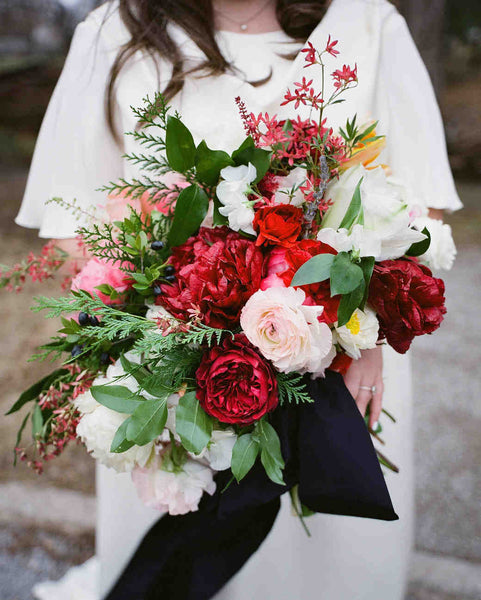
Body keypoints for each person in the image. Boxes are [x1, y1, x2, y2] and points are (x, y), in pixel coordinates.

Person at [16, 0, 462, 598]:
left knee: (329, 571)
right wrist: (179, 334)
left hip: (343, 373)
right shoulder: (114, 32)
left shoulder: (369, 24)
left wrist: (356, 328)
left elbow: (420, 214)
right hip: (171, 384)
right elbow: (77, 225)